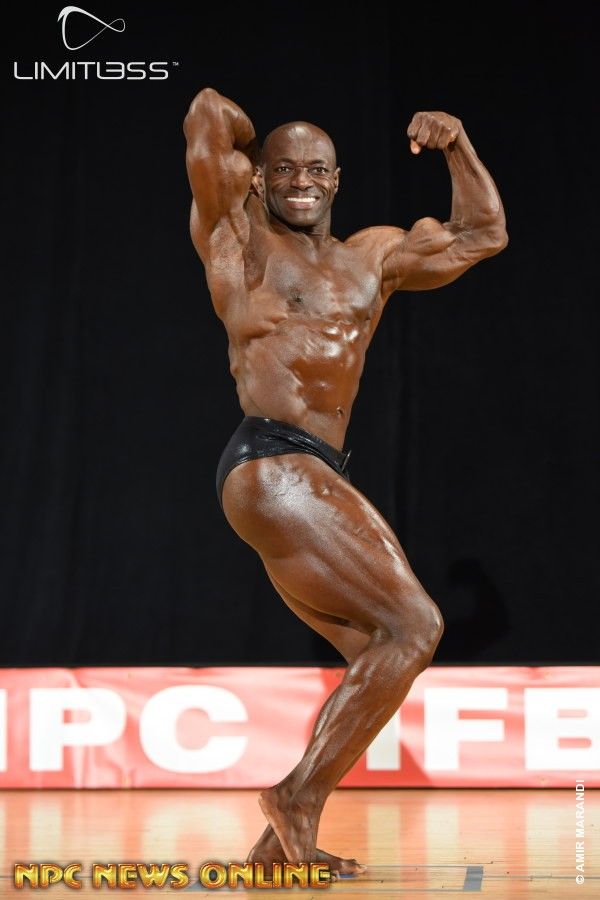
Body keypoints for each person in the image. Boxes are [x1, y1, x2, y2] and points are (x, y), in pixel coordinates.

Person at [183, 88, 507, 876]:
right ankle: (294, 798)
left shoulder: (373, 257)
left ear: (337, 180)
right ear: (260, 179)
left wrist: (457, 143)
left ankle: (277, 846)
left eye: (315, 169)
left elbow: (483, 234)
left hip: (313, 472)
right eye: (283, 169)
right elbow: (206, 114)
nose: (300, 180)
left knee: (380, 654)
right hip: (271, 462)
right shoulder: (239, 237)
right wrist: (246, 158)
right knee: (416, 625)